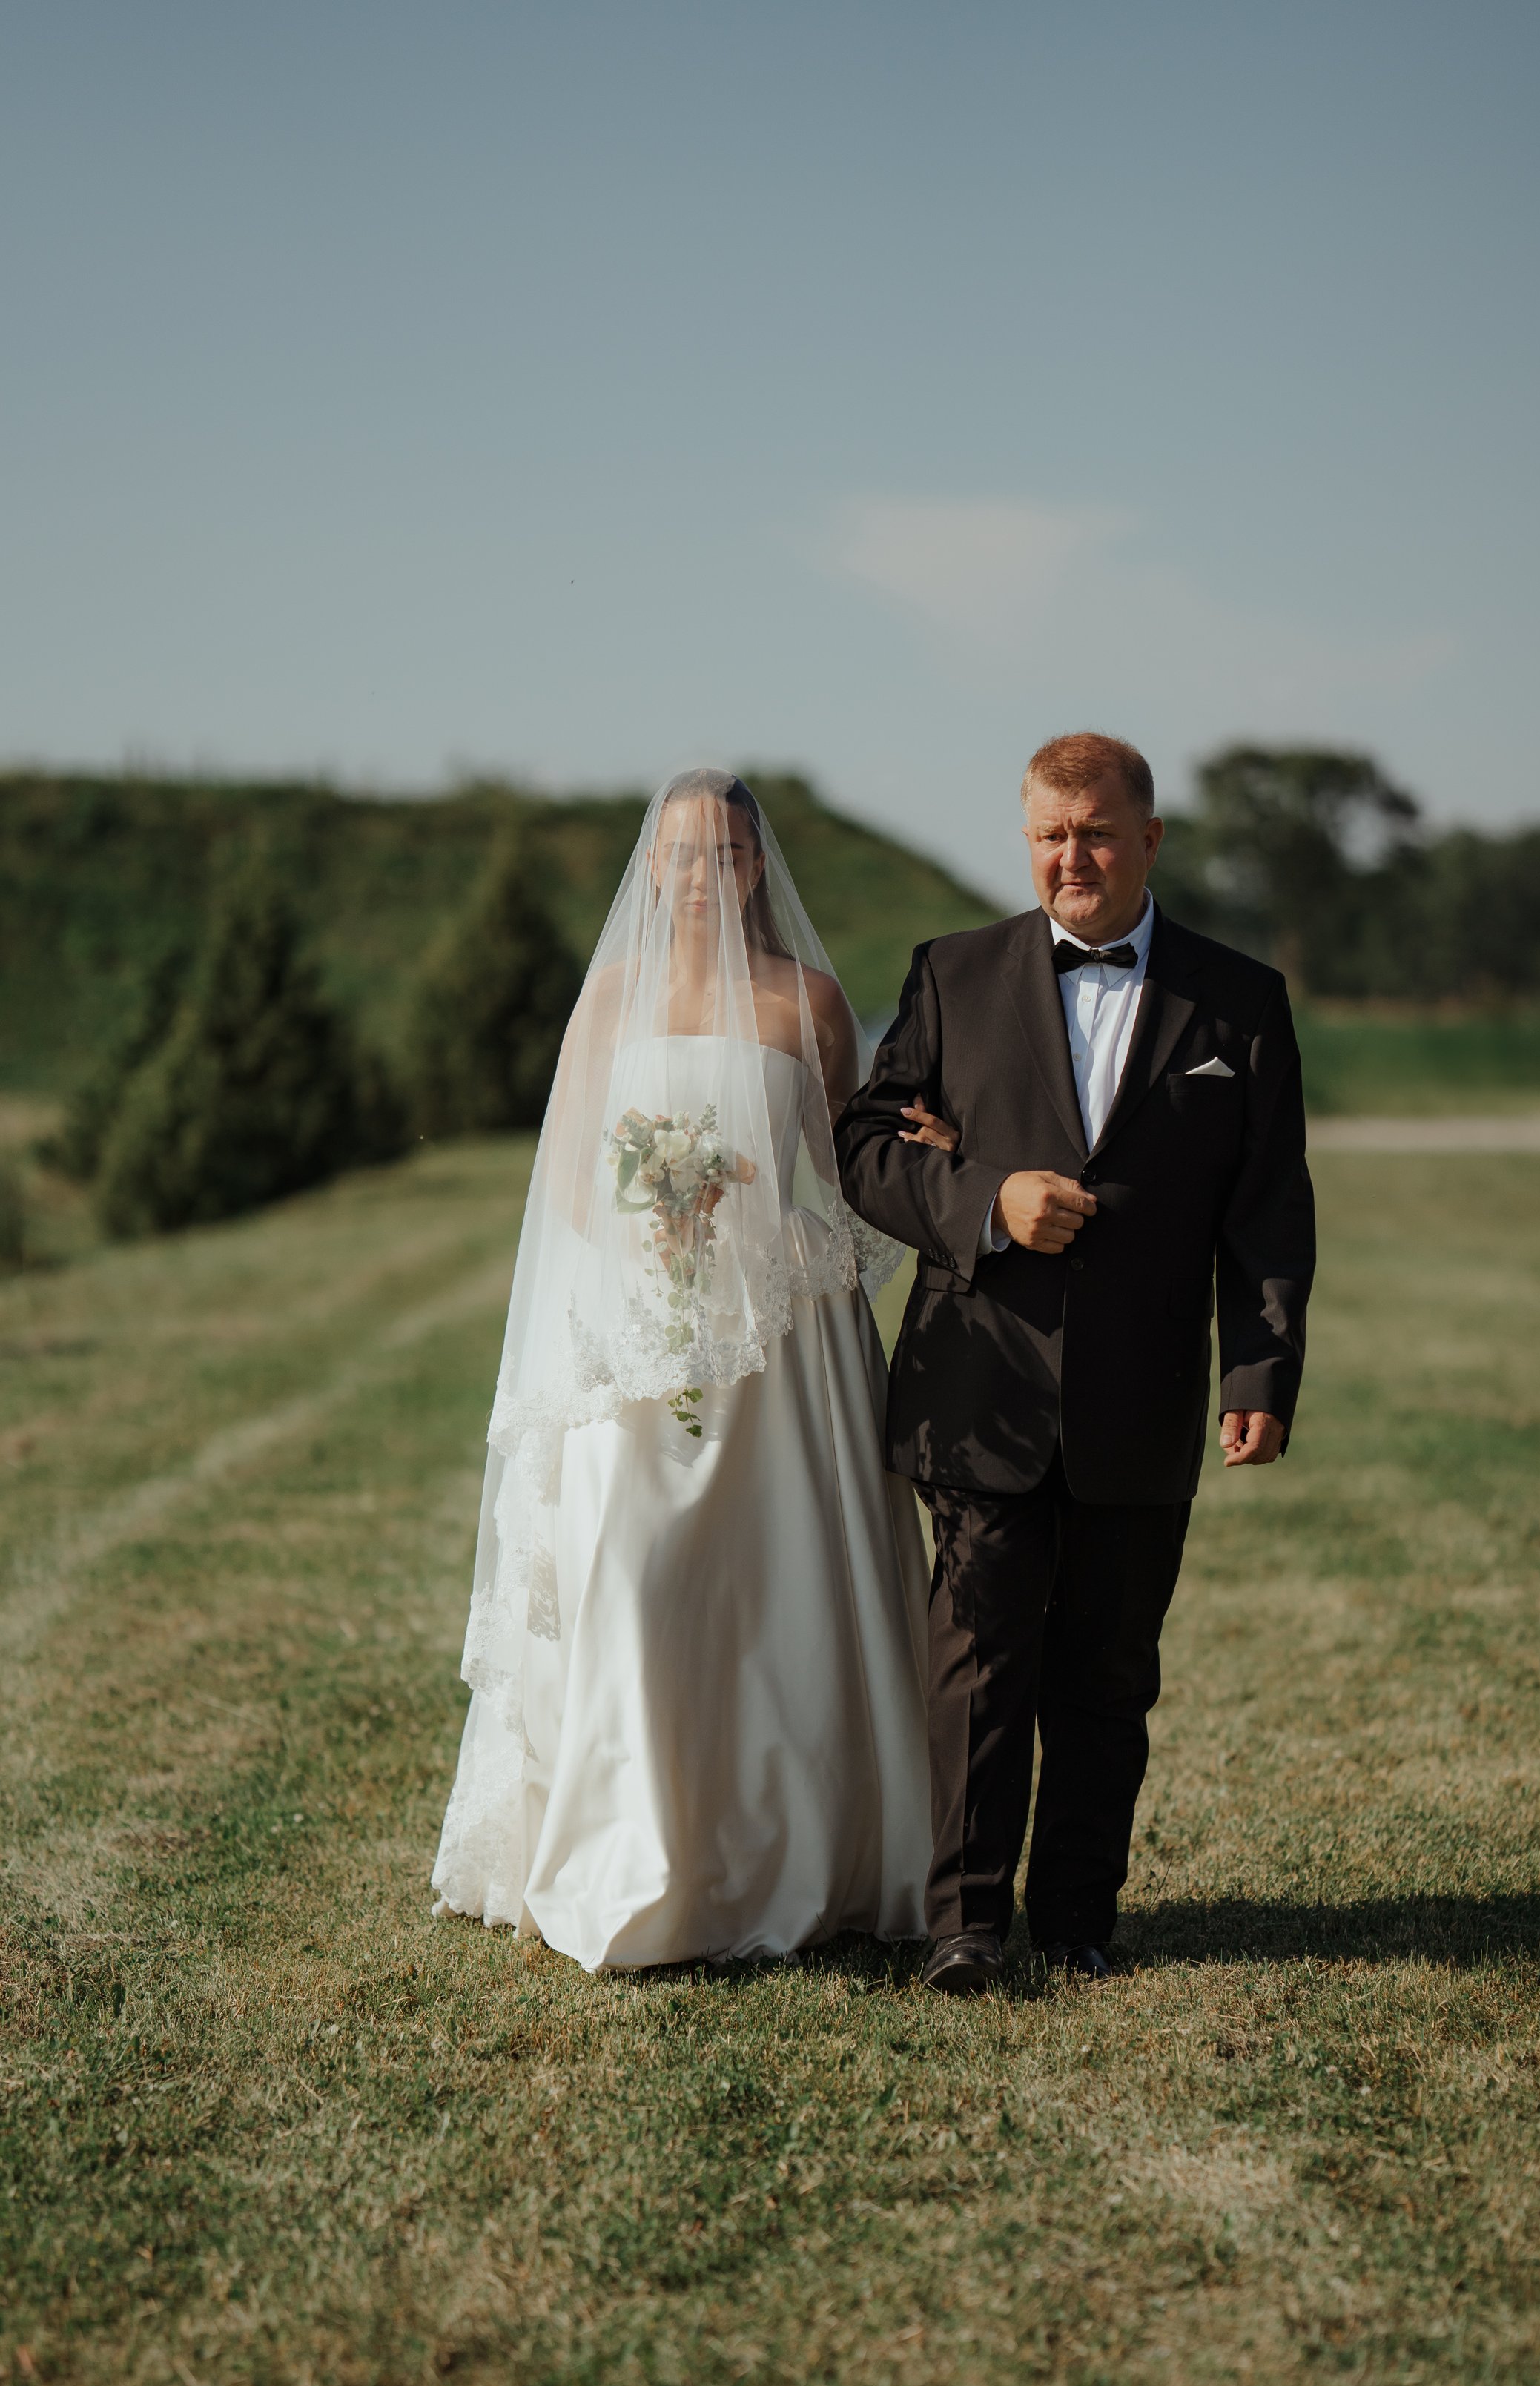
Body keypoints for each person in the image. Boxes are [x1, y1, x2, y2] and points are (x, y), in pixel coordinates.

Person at [835, 731, 1315, 1995]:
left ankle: (1081, 1915)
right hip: (979, 1385)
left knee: (1108, 1669)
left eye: (1096, 832)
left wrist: (1259, 1375)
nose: (1071, 856)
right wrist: (990, 1198)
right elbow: (868, 1145)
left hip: (1143, 1399)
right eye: (1050, 833)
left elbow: (1268, 1211)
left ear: (1149, 838)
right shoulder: (954, 973)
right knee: (979, 1658)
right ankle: (965, 1925)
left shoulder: (1240, 1002)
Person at [431, 772, 934, 1969]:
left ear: (758, 868)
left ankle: (804, 1853)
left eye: (724, 854)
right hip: (641, 1339)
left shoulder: (807, 998)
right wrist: (647, 1244)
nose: (700, 875)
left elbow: (836, 1159)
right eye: (680, 856)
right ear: (653, 869)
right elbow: (566, 1171)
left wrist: (919, 1153)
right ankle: (638, 1851)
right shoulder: (611, 997)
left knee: (780, 1595)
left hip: (779, 1352)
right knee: (641, 1579)